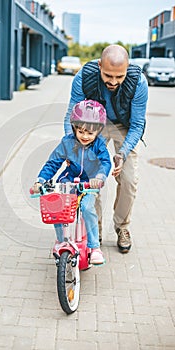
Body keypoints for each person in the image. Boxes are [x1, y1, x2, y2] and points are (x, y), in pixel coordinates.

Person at [64, 44, 148, 253]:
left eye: (119, 77)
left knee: (128, 180)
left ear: (127, 70)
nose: (113, 82)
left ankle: (122, 227)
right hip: (94, 124)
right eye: (108, 75)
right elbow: (71, 116)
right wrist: (71, 147)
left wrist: (122, 154)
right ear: (100, 65)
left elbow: (138, 125)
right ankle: (95, 230)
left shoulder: (139, 82)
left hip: (124, 126)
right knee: (92, 176)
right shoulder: (84, 77)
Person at [32, 100, 112, 264]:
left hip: (89, 184)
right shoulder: (67, 142)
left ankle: (95, 247)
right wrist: (41, 181)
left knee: (87, 208)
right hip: (68, 181)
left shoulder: (99, 145)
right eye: (81, 131)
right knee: (58, 209)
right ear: (74, 127)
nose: (84, 136)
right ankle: (62, 240)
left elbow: (105, 163)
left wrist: (99, 178)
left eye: (90, 133)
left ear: (98, 132)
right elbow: (53, 162)